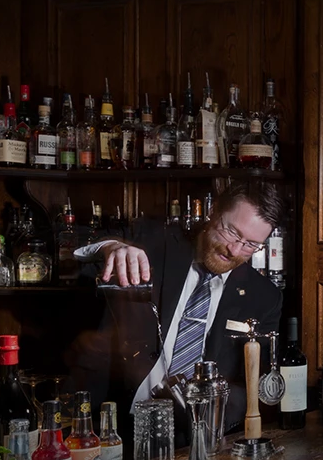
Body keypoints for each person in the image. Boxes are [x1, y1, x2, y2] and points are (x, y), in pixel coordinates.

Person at [70, 181, 284, 436]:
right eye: (232, 232)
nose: (234, 250)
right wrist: (111, 247)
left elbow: (252, 382)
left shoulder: (265, 297)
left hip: (195, 435)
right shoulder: (155, 243)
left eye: (251, 244)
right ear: (213, 211)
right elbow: (79, 243)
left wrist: (207, 416)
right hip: (118, 424)